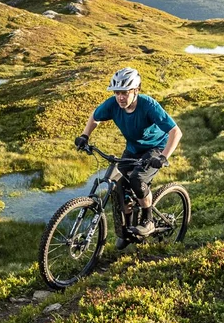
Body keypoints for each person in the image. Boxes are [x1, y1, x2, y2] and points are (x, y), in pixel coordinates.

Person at [75, 67, 181, 238]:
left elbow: (176, 132)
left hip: (156, 148)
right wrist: (84, 136)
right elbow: (94, 117)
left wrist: (163, 157)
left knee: (137, 180)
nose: (120, 97)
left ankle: (149, 220)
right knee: (120, 185)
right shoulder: (113, 104)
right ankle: (127, 232)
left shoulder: (149, 106)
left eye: (125, 92)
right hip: (133, 148)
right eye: (117, 92)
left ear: (136, 90)